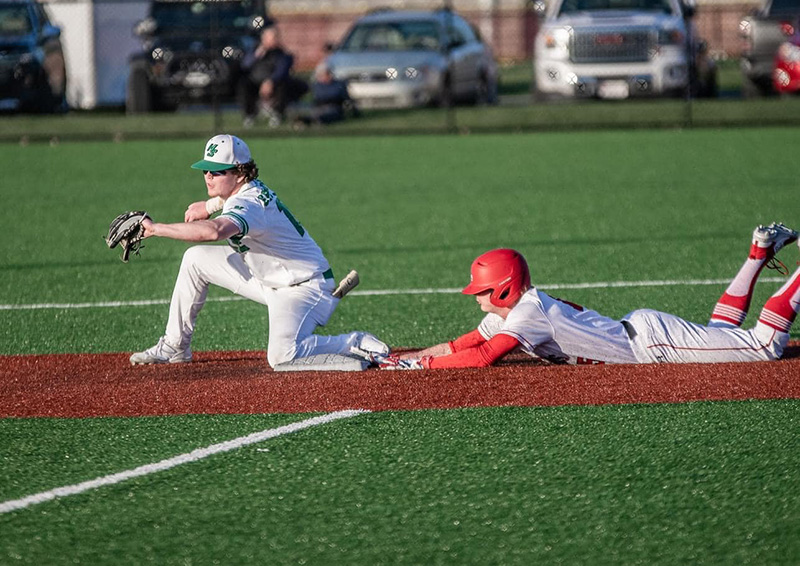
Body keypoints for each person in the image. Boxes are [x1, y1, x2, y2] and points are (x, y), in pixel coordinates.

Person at [381, 223, 800, 369]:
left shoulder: (527, 313)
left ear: (505, 287)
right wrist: (411, 359)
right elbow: (464, 344)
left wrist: (427, 367)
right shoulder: (517, 309)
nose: (476, 297)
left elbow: (485, 358)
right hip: (646, 334)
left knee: (764, 348)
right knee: (719, 333)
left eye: (483, 291)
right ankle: (758, 253)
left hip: (651, 345)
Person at [129, 134, 388, 367]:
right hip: (268, 278)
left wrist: (154, 229)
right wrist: (210, 205)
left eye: (217, 171)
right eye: (206, 170)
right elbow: (230, 199)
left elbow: (214, 232)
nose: (208, 175)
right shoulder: (245, 189)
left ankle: (354, 342)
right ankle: (175, 346)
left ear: (240, 173)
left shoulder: (249, 203)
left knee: (282, 357)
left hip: (303, 289)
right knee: (195, 260)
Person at [240, 25, 308, 127]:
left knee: (283, 86)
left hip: (274, 83)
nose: (273, 40)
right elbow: (245, 65)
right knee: (244, 85)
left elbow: (282, 70)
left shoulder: (282, 54)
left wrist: (270, 81)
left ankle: (277, 114)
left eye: (275, 37)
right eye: (271, 38)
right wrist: (257, 54)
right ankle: (249, 115)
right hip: (256, 82)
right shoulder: (256, 51)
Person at [293, 64, 358, 126]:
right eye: (322, 75)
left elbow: (346, 98)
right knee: (313, 112)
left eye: (327, 74)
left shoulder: (338, 85)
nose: (327, 76)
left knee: (328, 113)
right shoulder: (316, 86)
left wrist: (354, 111)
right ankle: (306, 120)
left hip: (334, 107)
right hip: (319, 107)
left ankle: (312, 121)